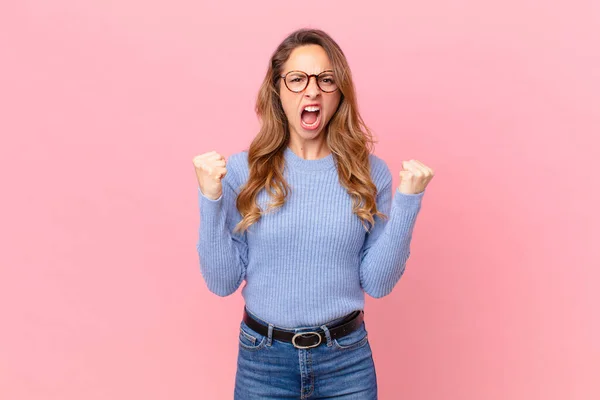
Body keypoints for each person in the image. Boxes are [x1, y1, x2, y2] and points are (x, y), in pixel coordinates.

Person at [193, 28, 434, 399]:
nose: (312, 90)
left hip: (346, 363)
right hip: (264, 362)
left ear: (340, 92)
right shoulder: (243, 172)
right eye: (297, 79)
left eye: (326, 79)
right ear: (277, 89)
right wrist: (210, 199)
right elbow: (222, 282)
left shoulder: (372, 174)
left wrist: (408, 203)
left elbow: (379, 283)